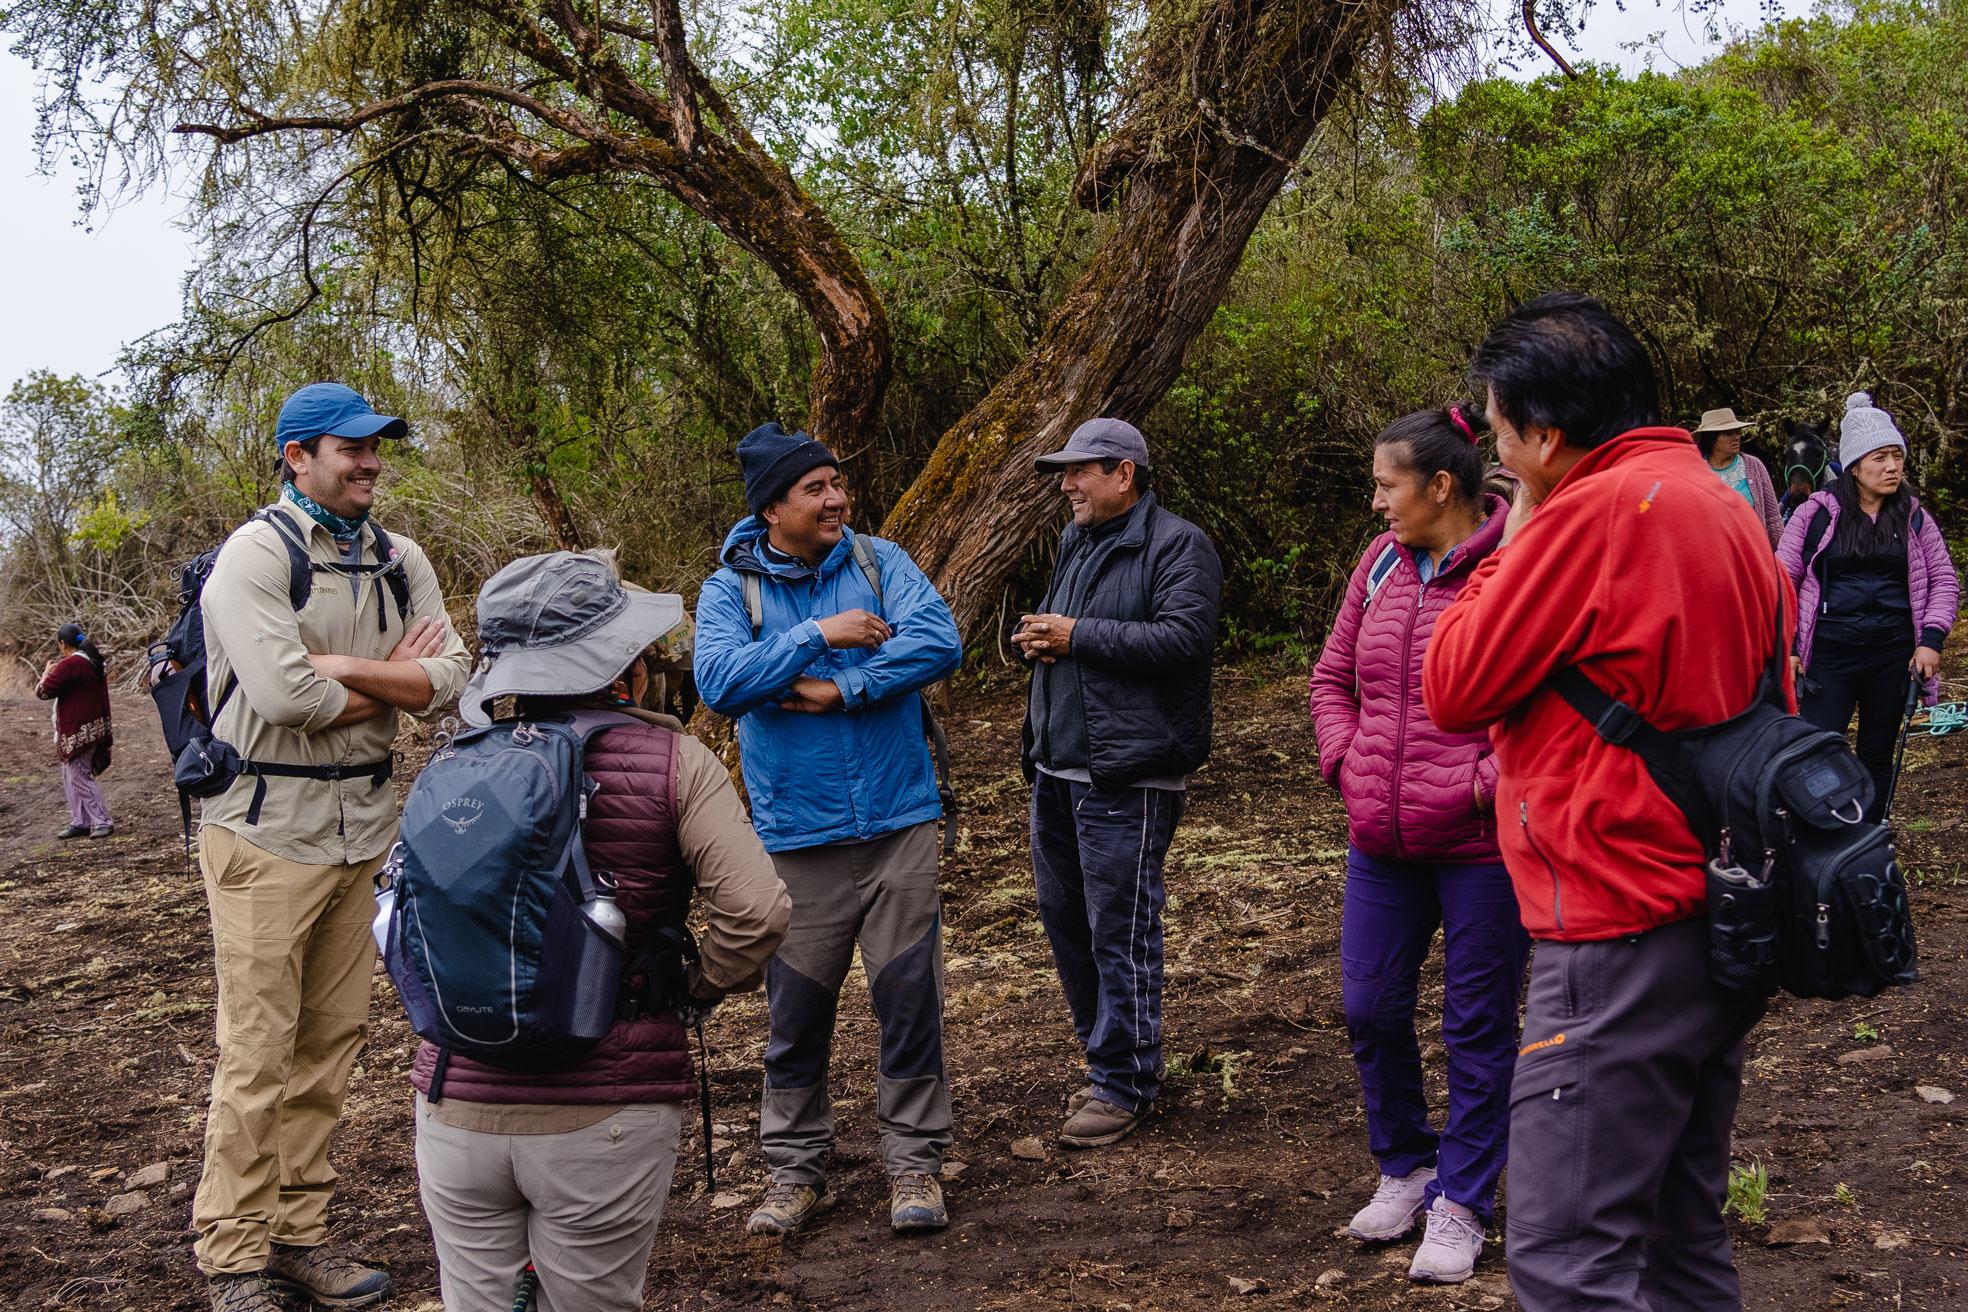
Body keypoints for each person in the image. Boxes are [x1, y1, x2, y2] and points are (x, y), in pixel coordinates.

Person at [1422, 292, 1792, 1311]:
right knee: (1679, 1239)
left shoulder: (1587, 515)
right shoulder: (1719, 500)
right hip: (1719, 905)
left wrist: (1522, 525)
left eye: (1502, 439)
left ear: (1546, 436)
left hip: (1617, 923)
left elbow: (1453, 682)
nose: (1500, 461)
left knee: (1567, 1258)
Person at [411, 551, 791, 1311]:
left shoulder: (453, 765)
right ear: (626, 667)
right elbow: (757, 912)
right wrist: (688, 989)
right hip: (605, 1108)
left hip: (455, 1107)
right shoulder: (674, 762)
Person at [194, 383, 472, 1312]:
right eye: (349, 448)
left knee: (331, 1043)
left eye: (376, 446)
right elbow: (284, 701)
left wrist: (349, 667)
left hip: (365, 832)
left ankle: (298, 1237)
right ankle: (235, 1257)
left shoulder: (401, 558)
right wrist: (400, 680)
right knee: (259, 1047)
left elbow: (454, 679)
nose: (370, 462)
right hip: (265, 832)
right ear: (296, 457)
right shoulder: (254, 557)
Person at [695, 421, 964, 1237]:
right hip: (796, 837)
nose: (837, 498)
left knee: (909, 998)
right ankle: (794, 1171)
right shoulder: (728, 590)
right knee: (797, 1013)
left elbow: (938, 642)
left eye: (837, 483)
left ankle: (915, 1164)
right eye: (815, 488)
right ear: (772, 506)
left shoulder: (882, 563)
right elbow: (719, 680)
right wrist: (819, 634)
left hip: (898, 821)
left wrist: (835, 689)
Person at [1308, 405, 1527, 1284]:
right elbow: (1331, 677)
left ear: (1441, 487)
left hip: (1480, 848)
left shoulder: (1518, 562)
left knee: (1476, 1027)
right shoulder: (1380, 567)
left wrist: (1482, 787)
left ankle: (1465, 1201)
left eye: (1385, 485)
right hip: (1382, 839)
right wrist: (1344, 761)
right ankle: (1408, 1164)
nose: (1375, 503)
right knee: (1369, 1008)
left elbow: (1545, 704)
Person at [1014, 418, 1222, 1149]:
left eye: (1080, 471)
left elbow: (1184, 640)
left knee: (1120, 928)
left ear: (1124, 473)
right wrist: (1041, 642)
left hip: (1130, 774)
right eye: (1064, 472)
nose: (1066, 485)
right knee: (1067, 920)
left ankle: (1127, 1082)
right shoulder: (1077, 541)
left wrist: (1075, 635)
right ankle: (1106, 1062)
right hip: (1057, 768)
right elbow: (1077, 637)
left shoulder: (1178, 544)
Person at [1778, 391, 1958, 822]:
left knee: (1877, 754)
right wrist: (1788, 648)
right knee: (1820, 751)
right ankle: (1822, 837)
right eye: (1880, 457)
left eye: (1897, 456)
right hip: (1829, 656)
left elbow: (1943, 580)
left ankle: (1869, 839)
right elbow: (1781, 581)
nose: (1893, 466)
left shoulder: (1913, 516)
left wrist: (1931, 642)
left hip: (1893, 657)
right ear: (1854, 465)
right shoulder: (1817, 514)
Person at [36, 621, 114, 838]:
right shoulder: (93, 662)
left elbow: (43, 691)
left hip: (77, 733)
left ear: (62, 644)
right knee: (71, 775)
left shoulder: (70, 665)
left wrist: (45, 673)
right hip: (94, 728)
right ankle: (80, 821)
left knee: (79, 776)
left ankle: (102, 821)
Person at [1693, 407, 1782, 547]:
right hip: (1716, 554)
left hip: (1752, 551)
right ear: (1712, 439)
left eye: (1737, 432)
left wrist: (1782, 558)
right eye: (1728, 434)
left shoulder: (1754, 466)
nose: (1736, 437)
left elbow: (1773, 518)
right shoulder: (1696, 471)